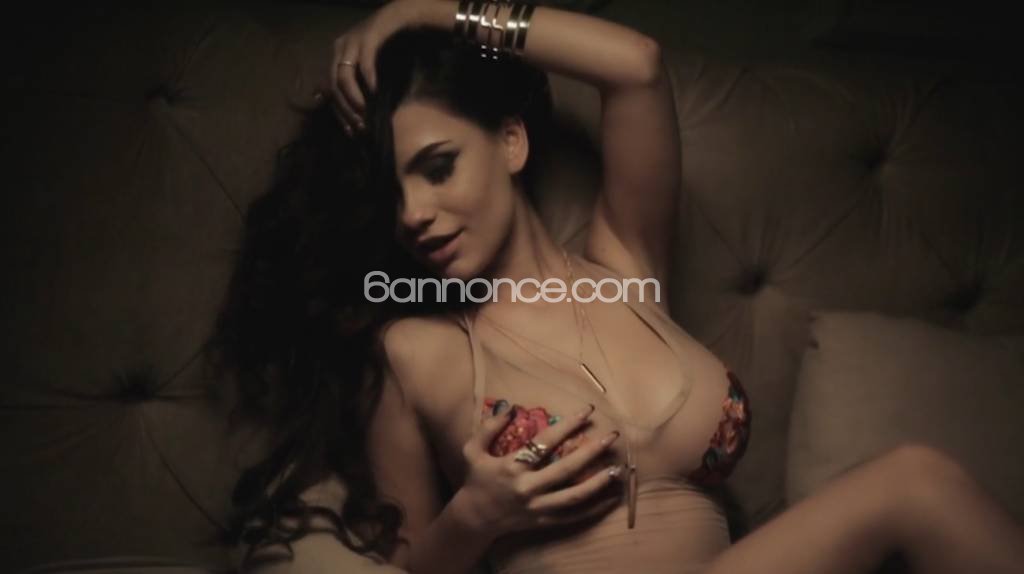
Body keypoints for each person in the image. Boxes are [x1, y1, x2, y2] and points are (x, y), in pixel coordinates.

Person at [208, 1, 1024, 573]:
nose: (415, 213)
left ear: (512, 142)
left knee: (919, 480)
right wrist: (475, 518)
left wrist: (424, 10)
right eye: (392, 196)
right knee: (915, 482)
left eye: (438, 167)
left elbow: (636, 65)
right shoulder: (415, 350)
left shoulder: (626, 270)